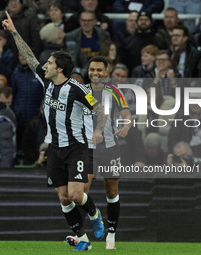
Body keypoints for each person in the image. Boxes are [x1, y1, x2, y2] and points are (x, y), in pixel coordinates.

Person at [3, 11, 107, 251]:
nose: (45, 65)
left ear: (60, 69)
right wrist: (14, 32)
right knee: (62, 198)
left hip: (76, 147)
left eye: (49, 63)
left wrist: (99, 130)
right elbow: (28, 57)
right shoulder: (47, 81)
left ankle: (94, 214)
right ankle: (82, 239)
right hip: (55, 148)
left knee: (75, 195)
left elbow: (99, 110)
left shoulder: (78, 90)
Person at [68, 56, 132, 250]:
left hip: (110, 148)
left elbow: (126, 114)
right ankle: (82, 235)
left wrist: (127, 125)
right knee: (81, 192)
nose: (95, 73)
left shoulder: (115, 92)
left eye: (99, 70)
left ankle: (111, 234)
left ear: (107, 72)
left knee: (111, 191)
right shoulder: (81, 91)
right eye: (92, 70)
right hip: (86, 150)